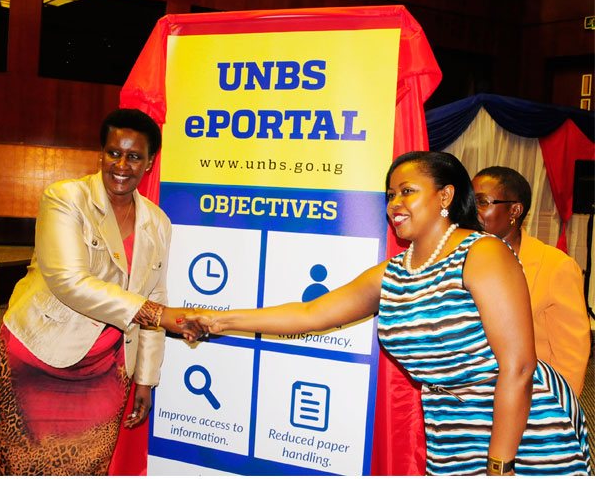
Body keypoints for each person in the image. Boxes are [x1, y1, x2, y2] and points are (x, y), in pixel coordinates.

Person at [188, 151, 590, 475]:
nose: (395, 203)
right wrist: (218, 320)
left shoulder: (483, 253)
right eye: (390, 194)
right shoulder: (396, 271)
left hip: (524, 427)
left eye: (407, 191)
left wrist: (500, 468)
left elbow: (518, 367)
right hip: (449, 424)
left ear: (446, 197)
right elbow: (309, 314)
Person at [0, 108, 202, 475]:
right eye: (113, 152)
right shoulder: (64, 199)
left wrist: (145, 378)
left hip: (105, 373)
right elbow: (70, 283)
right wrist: (156, 314)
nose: (121, 164)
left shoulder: (158, 223)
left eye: (134, 156)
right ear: (101, 153)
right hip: (35, 358)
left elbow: (158, 294)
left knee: (87, 468)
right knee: (19, 467)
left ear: (149, 162)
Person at [472, 166, 590, 396]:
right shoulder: (463, 260)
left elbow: (571, 359)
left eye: (482, 202)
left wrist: (556, 413)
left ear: (514, 210)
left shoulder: (555, 266)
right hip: (468, 399)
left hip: (531, 399)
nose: (471, 211)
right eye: (469, 202)